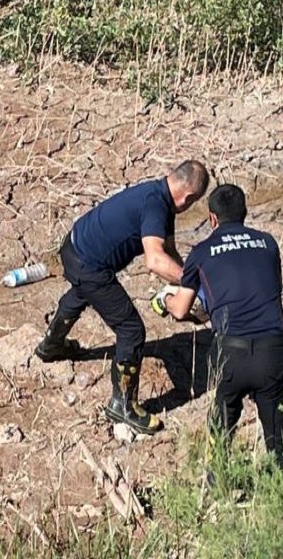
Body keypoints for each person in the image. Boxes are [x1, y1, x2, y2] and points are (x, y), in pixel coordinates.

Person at [35, 160, 209, 434]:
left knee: (82, 291)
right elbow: (154, 260)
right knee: (131, 330)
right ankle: (123, 405)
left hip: (74, 246)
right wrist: (196, 286)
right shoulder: (156, 207)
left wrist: (188, 285)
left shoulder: (158, 195)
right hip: (88, 265)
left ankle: (51, 345)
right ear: (189, 198)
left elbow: (170, 252)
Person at [159, 184, 283, 461]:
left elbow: (181, 309)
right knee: (281, 449)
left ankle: (216, 483)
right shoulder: (268, 243)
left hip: (231, 356)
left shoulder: (201, 251)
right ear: (245, 212)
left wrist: (164, 301)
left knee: (220, 430)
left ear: (212, 218)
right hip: (272, 353)